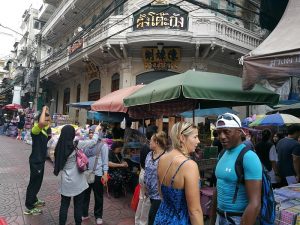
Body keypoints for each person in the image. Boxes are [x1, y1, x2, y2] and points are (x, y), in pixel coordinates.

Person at [210, 113, 262, 225]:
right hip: (220, 217)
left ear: (239, 132)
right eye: (219, 133)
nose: (222, 137)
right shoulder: (222, 153)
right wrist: (212, 219)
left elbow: (255, 204)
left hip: (237, 219)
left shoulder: (249, 157)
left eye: (227, 131)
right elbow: (218, 188)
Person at [154, 122, 204, 225]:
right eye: (195, 137)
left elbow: (160, 193)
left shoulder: (162, 158)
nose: (198, 141)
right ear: (182, 138)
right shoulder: (189, 166)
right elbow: (194, 211)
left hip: (161, 217)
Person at [53, 124, 101, 225]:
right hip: (78, 180)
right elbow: (93, 142)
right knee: (78, 205)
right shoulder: (76, 144)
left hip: (66, 180)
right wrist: (96, 131)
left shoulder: (58, 146)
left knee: (64, 205)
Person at [24, 106, 52, 215]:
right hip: (36, 161)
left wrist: (47, 113)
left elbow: (48, 121)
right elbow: (41, 122)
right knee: (34, 183)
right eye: (45, 118)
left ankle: (34, 199)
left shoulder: (44, 129)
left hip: (40, 160)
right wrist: (44, 109)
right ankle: (29, 206)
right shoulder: (36, 129)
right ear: (40, 119)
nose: (47, 120)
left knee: (38, 182)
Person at [82, 125, 109, 225]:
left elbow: (105, 162)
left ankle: (98, 216)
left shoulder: (103, 146)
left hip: (98, 174)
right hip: (86, 173)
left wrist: (105, 174)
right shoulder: (86, 145)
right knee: (85, 195)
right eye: (90, 132)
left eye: (93, 132)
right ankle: (84, 213)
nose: (91, 134)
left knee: (98, 196)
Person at [144, 131, 168, 225]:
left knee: (152, 217)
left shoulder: (166, 157)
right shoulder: (149, 155)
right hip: (150, 192)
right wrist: (145, 187)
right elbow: (146, 172)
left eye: (151, 141)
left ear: (157, 143)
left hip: (160, 194)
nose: (149, 143)